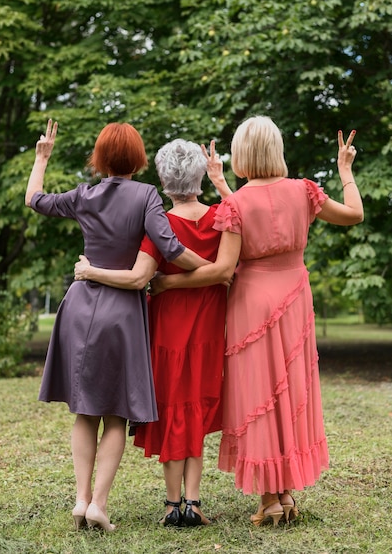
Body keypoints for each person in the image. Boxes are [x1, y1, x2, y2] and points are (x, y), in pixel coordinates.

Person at [147, 116, 364, 526]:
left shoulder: (235, 205)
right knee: (288, 391)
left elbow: (223, 269)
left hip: (251, 302)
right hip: (295, 296)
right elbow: (354, 214)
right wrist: (345, 171)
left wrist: (167, 286)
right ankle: (284, 493)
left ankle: (270, 499)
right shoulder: (305, 190)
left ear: (243, 154)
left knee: (260, 395)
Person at [25, 120, 209, 532]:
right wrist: (213, 269)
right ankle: (99, 506)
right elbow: (171, 249)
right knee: (115, 417)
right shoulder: (147, 196)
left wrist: (42, 157)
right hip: (121, 309)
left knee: (85, 411)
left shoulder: (83, 195)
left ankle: (80, 500)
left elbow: (34, 199)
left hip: (78, 305)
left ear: (100, 158)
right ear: (139, 159)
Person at [74, 138, 232, 527]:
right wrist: (222, 181)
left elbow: (144, 274)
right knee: (196, 407)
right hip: (210, 326)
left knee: (174, 407)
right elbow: (229, 268)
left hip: (166, 329)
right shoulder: (223, 217)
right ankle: (193, 503)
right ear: (200, 176)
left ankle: (171, 504)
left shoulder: (158, 222)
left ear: (163, 179)